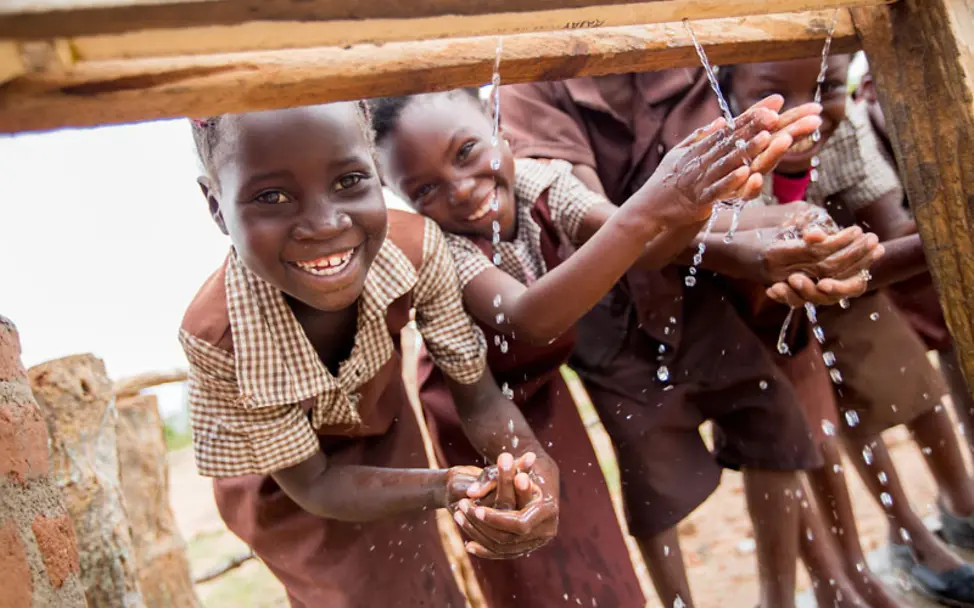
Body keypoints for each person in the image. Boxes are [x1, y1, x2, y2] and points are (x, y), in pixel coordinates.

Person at [370, 87, 831, 606]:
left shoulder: (541, 182)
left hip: (542, 385)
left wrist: (698, 206)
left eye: (466, 152)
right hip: (474, 403)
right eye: (426, 188)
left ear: (499, 128)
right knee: (530, 556)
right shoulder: (445, 246)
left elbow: (646, 247)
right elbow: (526, 318)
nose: (459, 189)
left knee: (591, 538)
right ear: (405, 200)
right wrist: (652, 209)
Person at [500, 70, 881, 608]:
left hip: (701, 296)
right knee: (651, 475)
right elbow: (605, 225)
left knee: (772, 424)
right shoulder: (530, 84)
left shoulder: (680, 61)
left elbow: (727, 194)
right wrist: (748, 249)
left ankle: (781, 600)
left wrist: (789, 222)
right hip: (608, 314)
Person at [179, 101, 561, 608]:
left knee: (425, 580)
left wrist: (531, 469)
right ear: (215, 206)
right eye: (271, 196)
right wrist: (445, 486)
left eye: (348, 182)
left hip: (381, 434)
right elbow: (314, 484)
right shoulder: (219, 337)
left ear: (376, 172)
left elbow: (480, 398)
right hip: (283, 480)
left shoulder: (415, 251)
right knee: (350, 593)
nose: (322, 224)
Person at [723, 54, 974, 607]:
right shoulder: (724, 150)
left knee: (911, 380)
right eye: (774, 91)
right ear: (726, 87)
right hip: (747, 304)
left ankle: (962, 510)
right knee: (827, 419)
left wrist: (945, 228)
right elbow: (745, 256)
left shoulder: (842, 128)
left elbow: (892, 228)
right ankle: (905, 534)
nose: (807, 112)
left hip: (851, 271)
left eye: (827, 87)